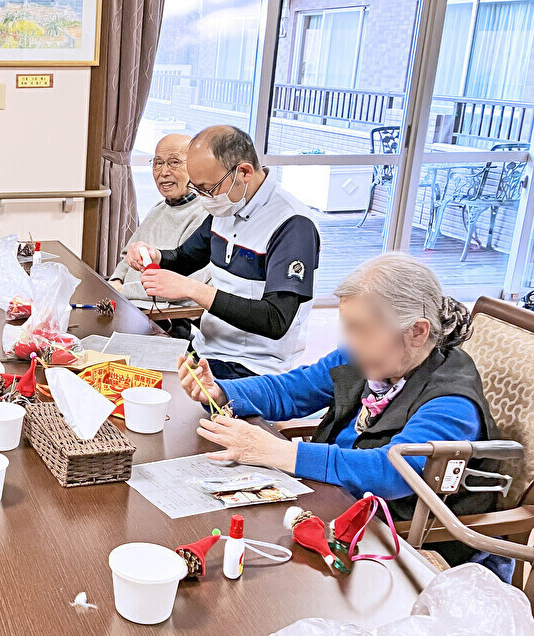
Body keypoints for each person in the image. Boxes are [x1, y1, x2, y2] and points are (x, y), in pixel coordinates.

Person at [178, 253, 500, 567]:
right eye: (346, 326)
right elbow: (294, 389)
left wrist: (280, 453)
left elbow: (392, 472)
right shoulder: (366, 357)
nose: (348, 343)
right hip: (331, 497)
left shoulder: (452, 402)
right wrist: (221, 390)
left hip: (390, 532)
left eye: (361, 329)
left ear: (417, 332)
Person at [126, 125, 321, 379]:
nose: (204, 197)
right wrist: (155, 256)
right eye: (197, 189)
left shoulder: (292, 225)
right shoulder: (226, 207)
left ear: (244, 172)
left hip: (255, 367)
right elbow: (186, 258)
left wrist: (192, 290)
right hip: (207, 350)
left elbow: (275, 320)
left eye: (208, 188)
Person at [108, 134, 209, 308]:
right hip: (126, 301)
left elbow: (184, 285)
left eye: (174, 162)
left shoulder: (205, 214)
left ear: (195, 166)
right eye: (158, 163)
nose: (163, 172)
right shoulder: (159, 208)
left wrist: (121, 291)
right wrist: (115, 281)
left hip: (161, 312)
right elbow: (127, 257)